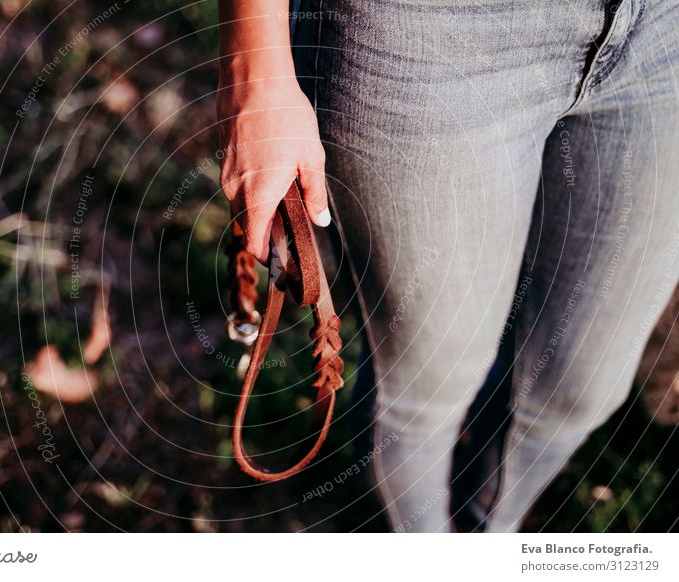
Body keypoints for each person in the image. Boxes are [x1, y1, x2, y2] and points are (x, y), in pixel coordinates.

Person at [216, 0, 679, 532]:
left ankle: (491, 529)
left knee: (580, 387)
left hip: (663, 31)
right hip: (428, 33)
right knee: (427, 384)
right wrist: (255, 69)